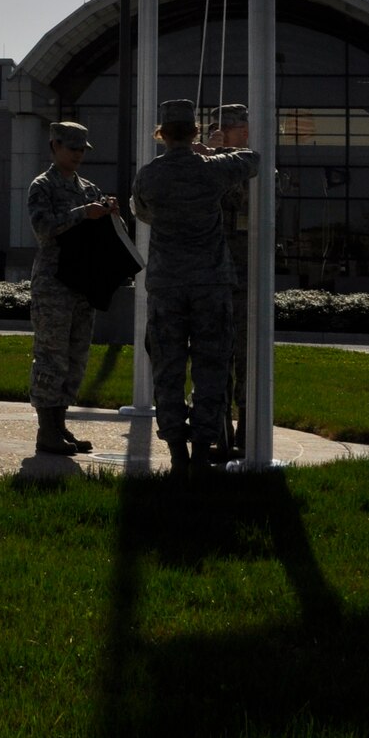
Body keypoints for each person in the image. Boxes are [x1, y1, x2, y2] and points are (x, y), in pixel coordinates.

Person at [132, 98, 259, 472]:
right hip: (210, 284)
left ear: (162, 134)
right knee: (212, 369)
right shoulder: (213, 169)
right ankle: (204, 450)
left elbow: (142, 213)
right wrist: (215, 152)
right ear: (194, 132)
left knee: (168, 371)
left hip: (167, 285)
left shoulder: (149, 175)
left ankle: (177, 454)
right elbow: (252, 160)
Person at [28, 120, 120, 457]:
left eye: (82, 149)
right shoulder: (43, 186)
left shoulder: (88, 188)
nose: (78, 154)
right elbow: (43, 228)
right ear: (54, 146)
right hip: (54, 284)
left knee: (76, 357)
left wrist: (110, 214)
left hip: (83, 283)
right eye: (72, 148)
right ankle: (46, 429)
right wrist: (84, 213)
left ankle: (60, 423)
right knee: (51, 356)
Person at [210, 102, 252, 457]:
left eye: (243, 128)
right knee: (215, 356)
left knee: (246, 356)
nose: (243, 134)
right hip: (212, 275)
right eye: (236, 129)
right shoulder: (206, 169)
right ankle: (218, 428)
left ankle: (246, 428)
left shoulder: (252, 168)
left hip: (246, 277)